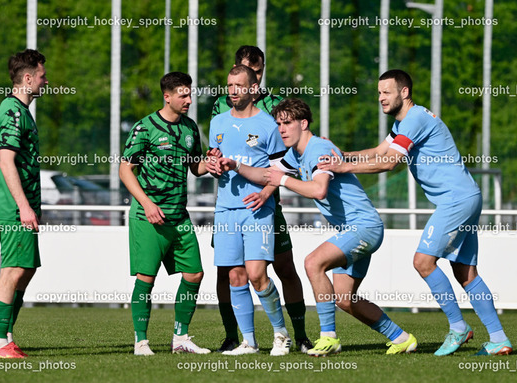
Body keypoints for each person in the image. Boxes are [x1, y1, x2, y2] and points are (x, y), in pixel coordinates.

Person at [319, 69, 512, 356]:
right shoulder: (403, 124)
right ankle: (499, 339)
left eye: (387, 92)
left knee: (423, 262)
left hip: (456, 201)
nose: (381, 98)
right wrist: (343, 155)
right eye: (379, 93)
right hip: (467, 197)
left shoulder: (414, 119)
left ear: (404, 92)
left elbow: (389, 163)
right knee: (466, 272)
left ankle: (458, 327)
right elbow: (379, 151)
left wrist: (344, 167)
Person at [220, 98, 417, 355]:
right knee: (345, 300)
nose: (281, 129)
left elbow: (319, 189)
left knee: (313, 263)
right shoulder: (295, 154)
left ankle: (328, 338)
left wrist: (283, 181)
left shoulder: (319, 148)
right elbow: (268, 175)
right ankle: (402, 338)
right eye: (278, 124)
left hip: (364, 227)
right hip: (353, 230)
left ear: (303, 124)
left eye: (287, 123)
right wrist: (236, 166)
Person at [211, 46, 311, 353]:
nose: (233, 91)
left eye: (240, 85)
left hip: (259, 208)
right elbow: (214, 156)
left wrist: (267, 191)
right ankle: (247, 341)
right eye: (230, 85)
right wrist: (212, 163)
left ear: (254, 86)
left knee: (261, 272)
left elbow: (284, 165)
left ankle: (286, 334)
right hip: (225, 208)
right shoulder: (217, 119)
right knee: (234, 275)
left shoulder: (270, 121)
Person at [120, 71, 215, 356]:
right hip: (148, 217)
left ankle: (181, 338)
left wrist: (210, 163)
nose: (189, 100)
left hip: (178, 216)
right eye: (183, 95)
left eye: (190, 94)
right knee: (146, 278)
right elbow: (125, 170)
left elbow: (196, 167)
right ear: (167, 96)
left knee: (195, 274)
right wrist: (147, 204)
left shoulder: (190, 128)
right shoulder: (145, 127)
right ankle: (141, 342)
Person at [0, 49, 48, 359]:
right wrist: (23, 206)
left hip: (22, 207)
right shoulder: (12, 110)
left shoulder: (21, 111)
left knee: (26, 269)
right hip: (13, 207)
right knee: (12, 270)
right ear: (27, 78)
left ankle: (6, 334)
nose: (45, 81)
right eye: (42, 76)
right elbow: (6, 161)